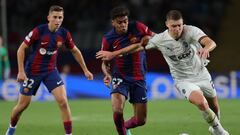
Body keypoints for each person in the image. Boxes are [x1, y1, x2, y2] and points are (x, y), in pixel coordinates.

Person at [96, 10, 229, 135]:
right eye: (173, 26)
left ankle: (215, 127)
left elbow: (210, 42)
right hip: (183, 79)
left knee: (215, 107)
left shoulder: (191, 31)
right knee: (202, 103)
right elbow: (138, 47)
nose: (177, 29)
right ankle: (220, 131)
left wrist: (206, 48)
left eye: (179, 25)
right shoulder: (160, 39)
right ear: (167, 25)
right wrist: (114, 54)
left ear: (183, 23)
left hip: (201, 73)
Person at [5, 5, 93, 135]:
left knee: (63, 101)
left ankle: (69, 134)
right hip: (32, 72)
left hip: (50, 71)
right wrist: (21, 71)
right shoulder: (38, 31)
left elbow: (75, 51)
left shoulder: (64, 34)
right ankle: (11, 129)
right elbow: (21, 49)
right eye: (55, 17)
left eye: (60, 17)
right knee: (22, 106)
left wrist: (85, 70)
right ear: (49, 18)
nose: (58, 20)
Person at [98, 6, 154, 135]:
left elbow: (155, 38)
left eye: (125, 21)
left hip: (139, 77)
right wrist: (107, 74)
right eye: (119, 22)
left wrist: (148, 39)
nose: (123, 25)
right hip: (120, 76)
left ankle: (125, 127)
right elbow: (104, 63)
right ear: (113, 23)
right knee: (117, 110)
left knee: (141, 120)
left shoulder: (138, 27)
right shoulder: (108, 38)